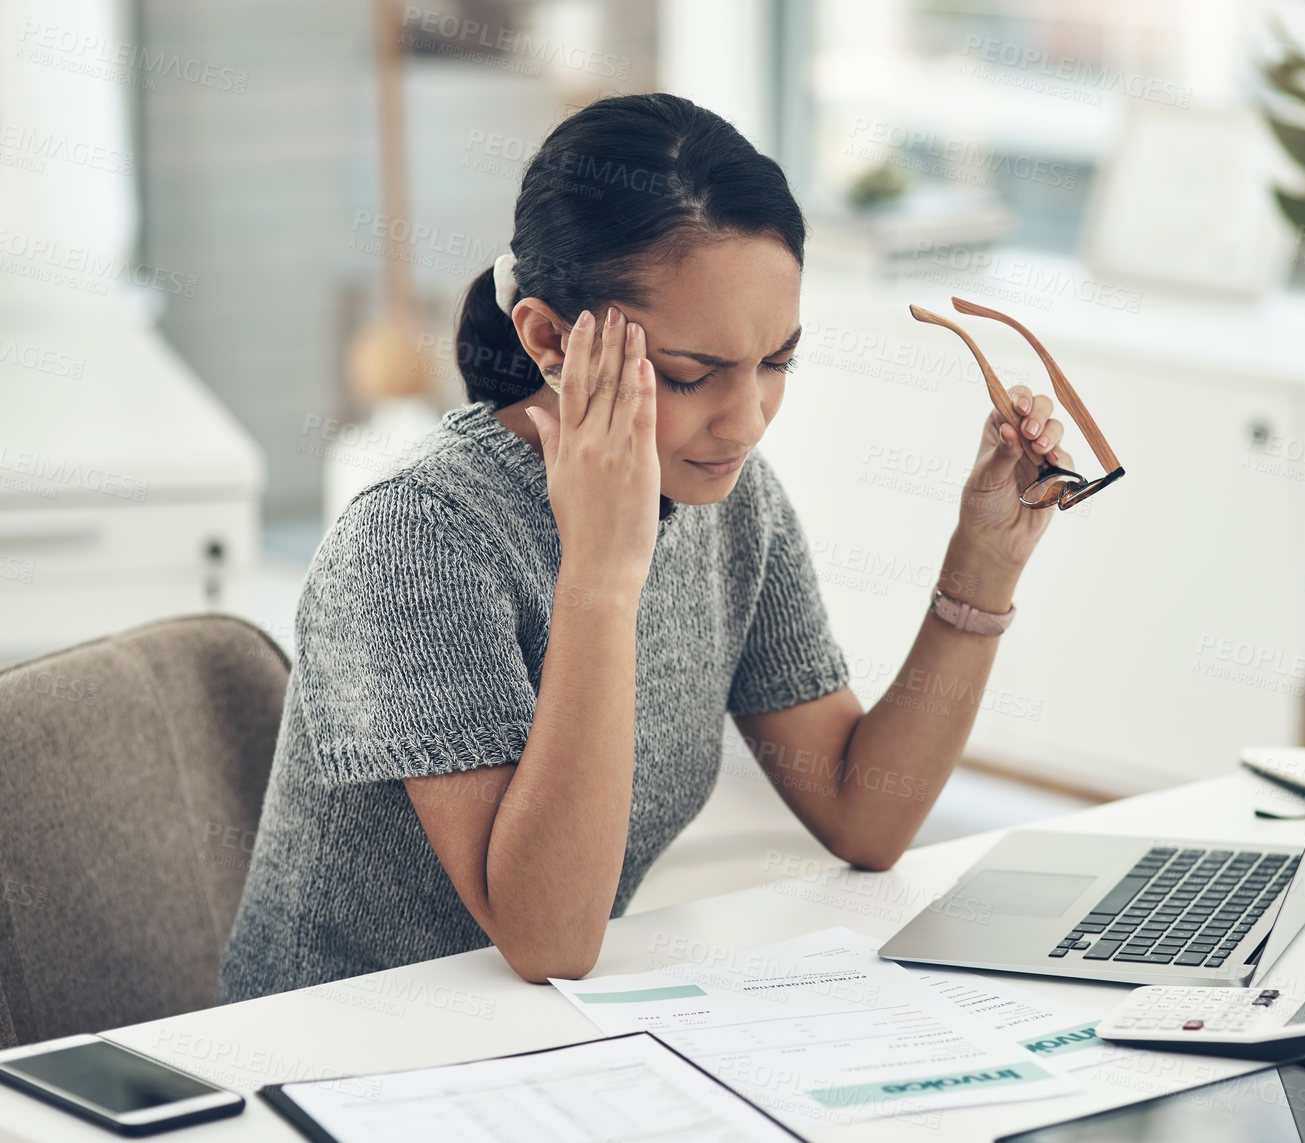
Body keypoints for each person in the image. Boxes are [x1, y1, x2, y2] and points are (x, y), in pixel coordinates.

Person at [218, 93, 1071, 1001]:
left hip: (535, 1038)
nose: (745, 422)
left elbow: (866, 815)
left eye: (777, 362)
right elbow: (546, 936)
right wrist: (602, 571)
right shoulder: (415, 538)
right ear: (548, 337)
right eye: (688, 375)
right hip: (337, 1055)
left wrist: (982, 566)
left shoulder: (728, 503)